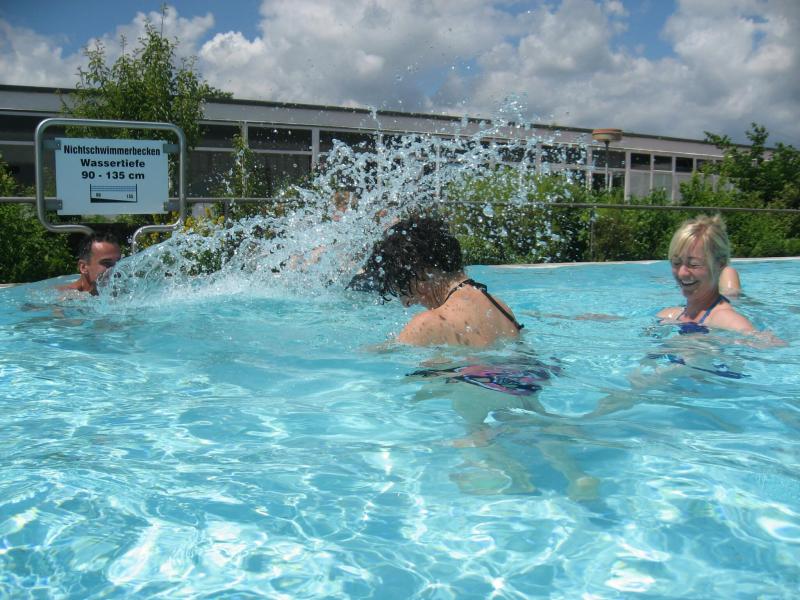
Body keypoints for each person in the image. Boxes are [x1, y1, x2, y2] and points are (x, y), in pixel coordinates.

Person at [361, 214, 523, 346]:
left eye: (403, 288)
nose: (407, 303)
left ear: (424, 273)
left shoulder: (428, 324)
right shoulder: (502, 309)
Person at [657, 214, 753, 333]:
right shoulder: (668, 315)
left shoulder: (728, 320)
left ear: (720, 264)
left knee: (732, 293)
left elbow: (761, 340)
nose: (682, 273)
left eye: (693, 264)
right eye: (676, 263)